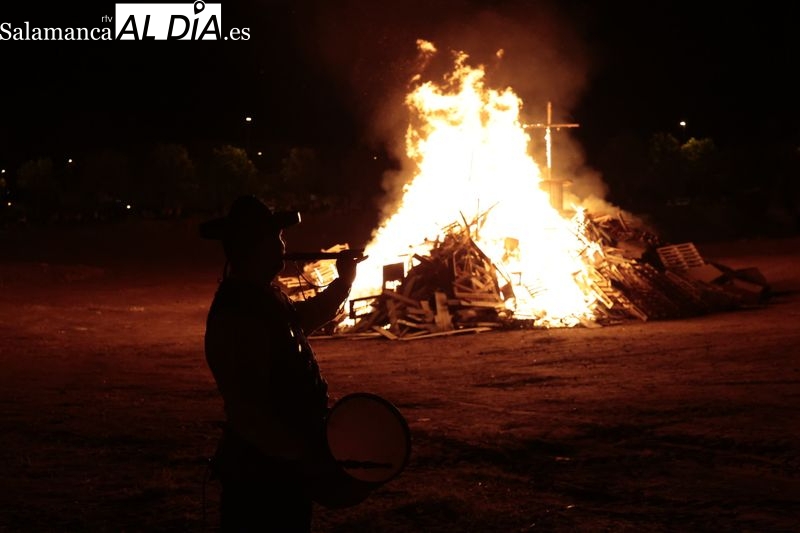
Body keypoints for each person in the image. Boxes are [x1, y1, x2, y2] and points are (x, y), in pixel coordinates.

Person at [200, 194, 362, 532]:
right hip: (261, 474)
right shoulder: (239, 312)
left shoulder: (263, 298)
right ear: (257, 245)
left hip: (283, 465)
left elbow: (302, 319)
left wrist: (343, 282)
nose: (283, 244)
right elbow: (248, 411)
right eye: (276, 237)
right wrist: (302, 456)